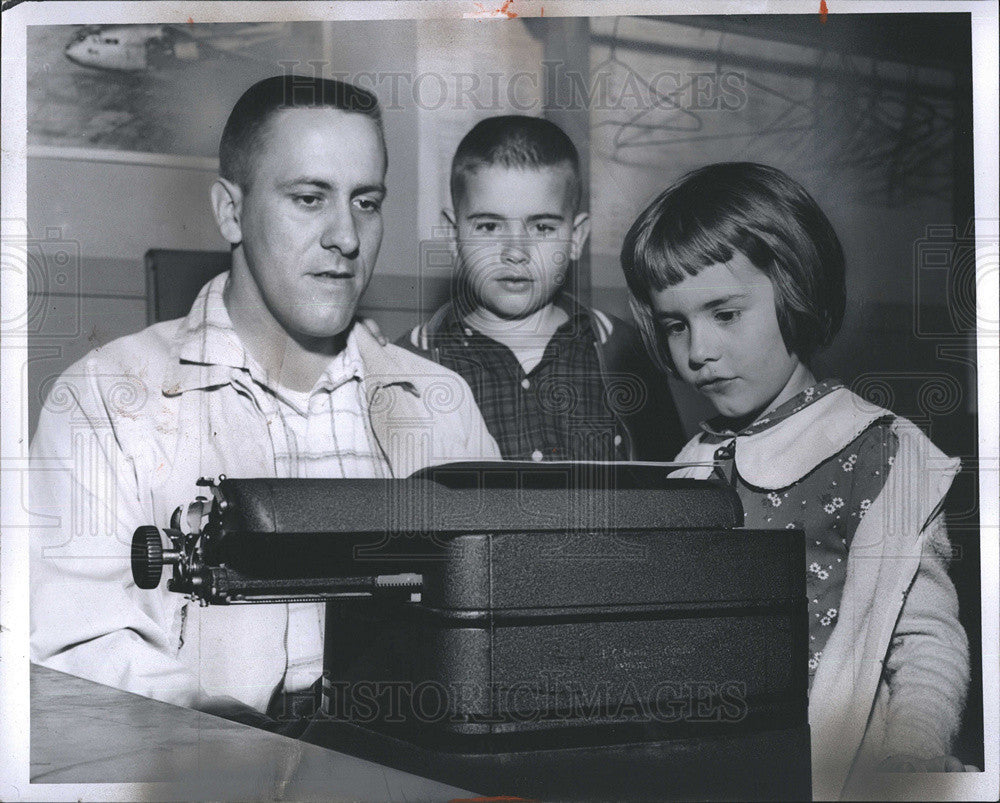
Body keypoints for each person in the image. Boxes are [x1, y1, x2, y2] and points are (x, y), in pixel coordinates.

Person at [29, 75, 500, 726]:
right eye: (309, 198)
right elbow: (71, 655)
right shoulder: (105, 399)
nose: (346, 236)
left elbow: (501, 623)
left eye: (366, 202)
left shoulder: (444, 403)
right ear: (230, 210)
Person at [618, 162, 971, 797]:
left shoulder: (879, 451)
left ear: (796, 289)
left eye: (724, 314)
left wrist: (908, 766)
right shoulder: (689, 461)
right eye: (676, 325)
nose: (698, 350)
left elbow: (926, 642)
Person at [399, 115, 685, 463]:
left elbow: (668, 490)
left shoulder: (626, 353)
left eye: (543, 227)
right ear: (452, 236)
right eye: (489, 226)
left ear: (576, 238)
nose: (516, 252)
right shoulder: (406, 365)